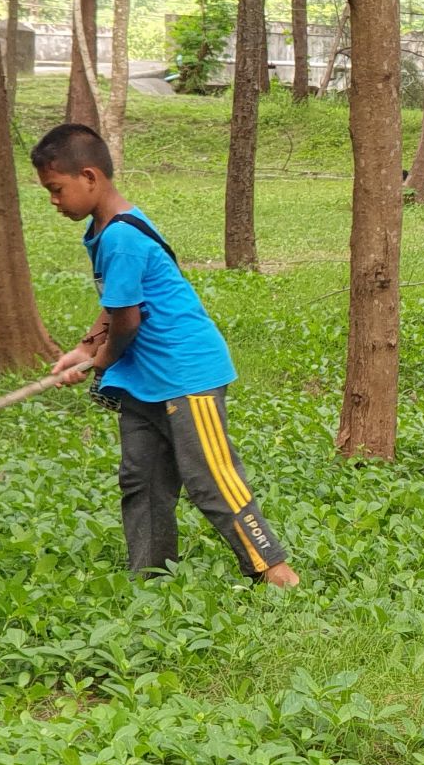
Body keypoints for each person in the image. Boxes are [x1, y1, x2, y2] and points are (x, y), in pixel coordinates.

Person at [30, 122, 299, 588]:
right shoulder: (106, 227)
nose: (54, 201)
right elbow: (118, 305)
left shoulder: (122, 237)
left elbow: (129, 324)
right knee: (142, 479)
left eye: (57, 189)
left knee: (210, 478)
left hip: (184, 373)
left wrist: (100, 362)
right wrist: (85, 345)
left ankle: (273, 569)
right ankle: (151, 574)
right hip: (144, 380)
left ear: (90, 177)